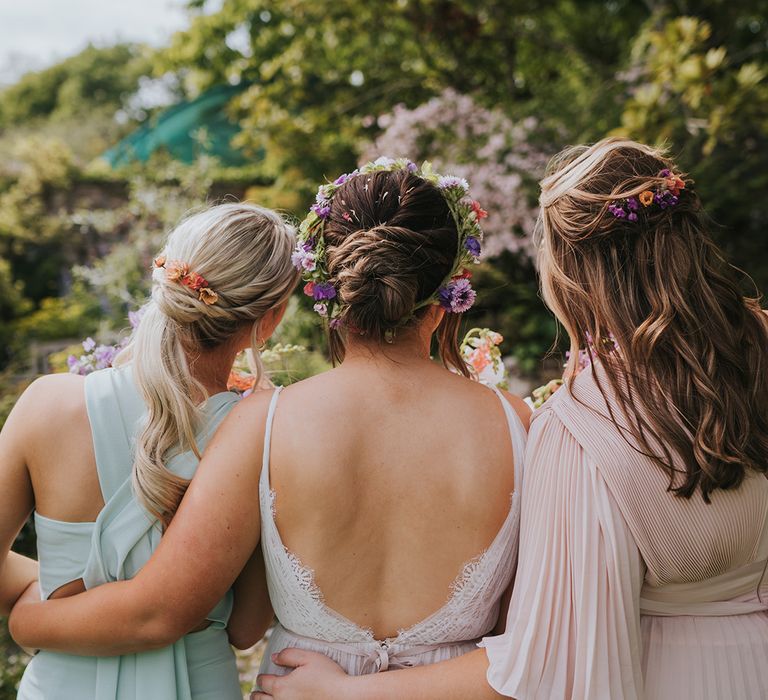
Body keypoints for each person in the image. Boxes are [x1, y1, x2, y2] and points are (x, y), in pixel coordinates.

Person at [249, 138, 768, 700]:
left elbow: (550, 662)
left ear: (567, 267)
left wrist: (345, 693)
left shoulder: (585, 424)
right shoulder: (755, 349)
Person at [9, 158, 530, 694]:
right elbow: (535, 644)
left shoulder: (267, 422)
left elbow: (194, 613)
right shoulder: (517, 425)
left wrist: (31, 617)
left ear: (327, 290)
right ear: (451, 291)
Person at [1, 202, 298, 699]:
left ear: (163, 279)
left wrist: (51, 595)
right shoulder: (263, 432)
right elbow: (246, 627)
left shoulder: (46, 406)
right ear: (269, 320)